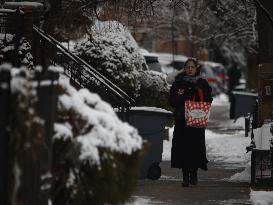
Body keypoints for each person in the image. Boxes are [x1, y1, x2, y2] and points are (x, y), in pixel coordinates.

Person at [169, 58, 213, 187]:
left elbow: (209, 99)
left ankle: (194, 175)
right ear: (184, 68)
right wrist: (183, 98)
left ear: (196, 68)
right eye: (187, 67)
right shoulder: (178, 83)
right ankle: (185, 177)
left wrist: (199, 96)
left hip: (196, 122)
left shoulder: (202, 83)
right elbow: (171, 101)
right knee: (183, 149)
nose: (189, 69)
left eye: (192, 67)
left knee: (195, 148)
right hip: (182, 122)